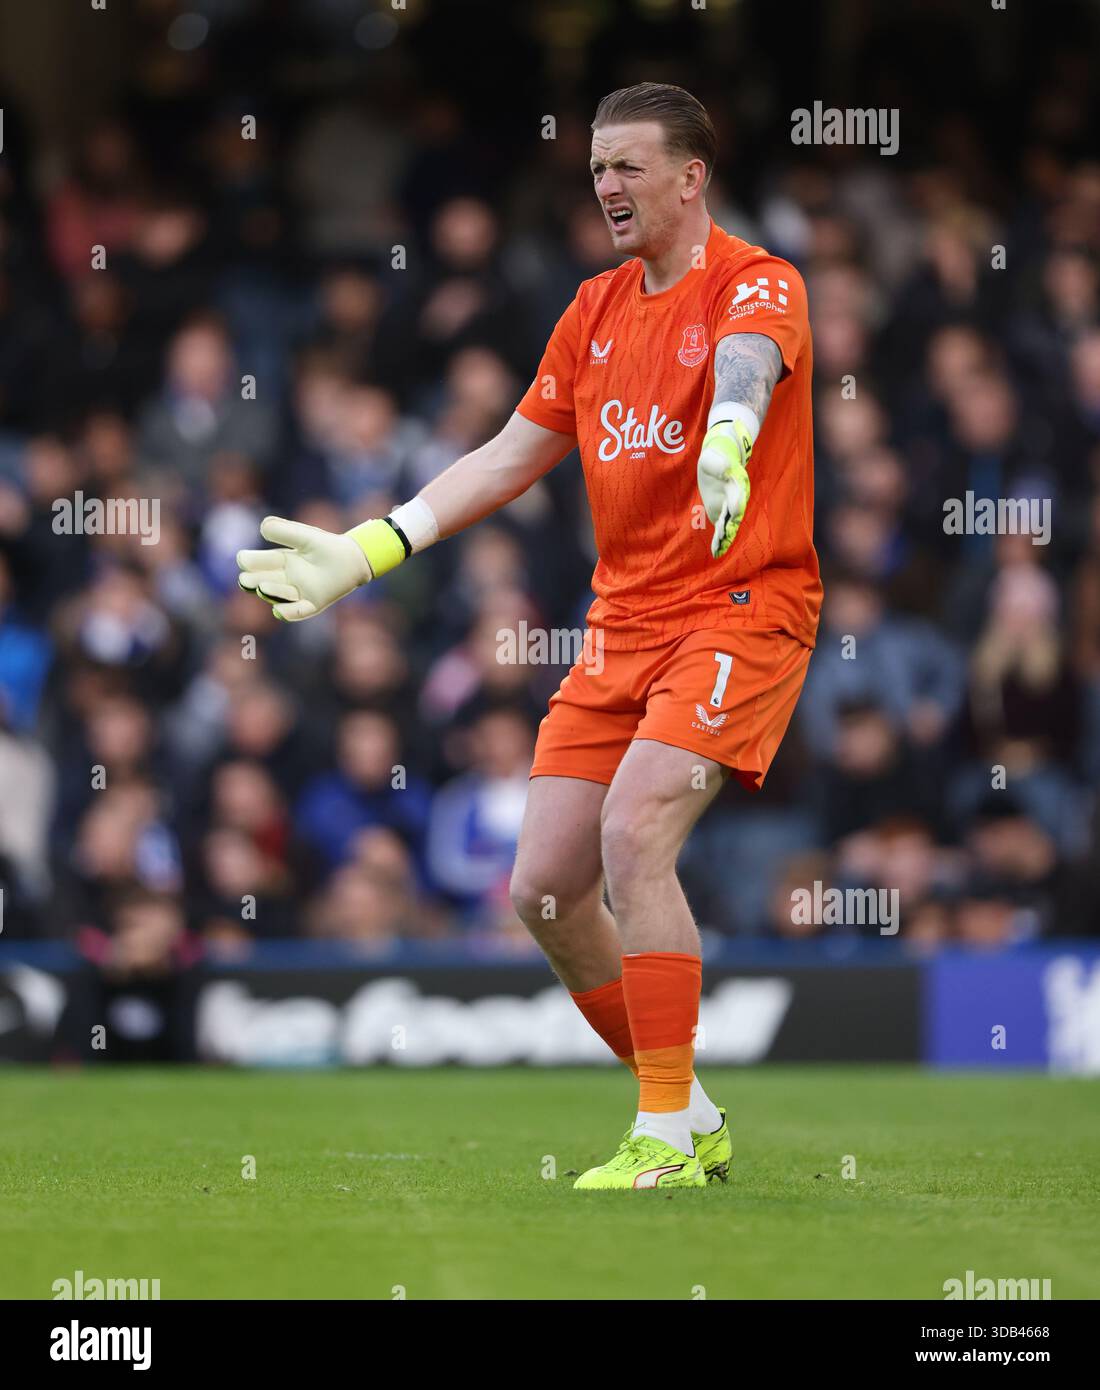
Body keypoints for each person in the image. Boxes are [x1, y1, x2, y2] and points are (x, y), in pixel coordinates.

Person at [237, 83, 821, 1191]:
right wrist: (372, 547)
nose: (605, 186)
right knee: (544, 891)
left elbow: (747, 360)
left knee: (635, 831)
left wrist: (730, 433)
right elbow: (508, 455)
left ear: (689, 176)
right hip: (621, 622)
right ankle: (689, 1109)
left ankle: (658, 1138)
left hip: (740, 610)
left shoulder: (758, 280)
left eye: (629, 166)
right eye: (597, 167)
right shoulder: (592, 310)